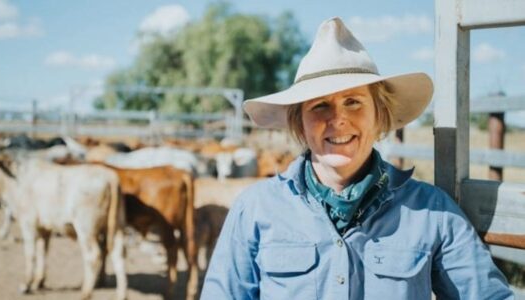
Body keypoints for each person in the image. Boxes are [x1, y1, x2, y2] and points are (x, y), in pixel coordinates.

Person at [200, 17, 513, 299]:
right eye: (320, 105)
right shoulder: (256, 209)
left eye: (353, 102)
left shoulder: (432, 212)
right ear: (299, 122)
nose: (338, 119)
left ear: (379, 116)